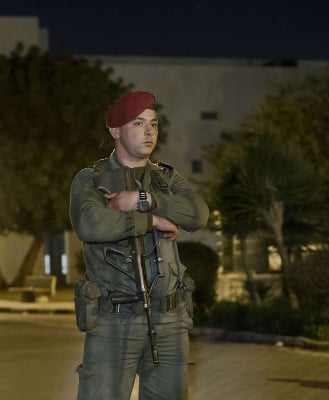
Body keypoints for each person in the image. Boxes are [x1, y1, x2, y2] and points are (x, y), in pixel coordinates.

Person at [70, 91, 209, 400]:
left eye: (154, 124)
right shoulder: (91, 180)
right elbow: (91, 224)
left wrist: (142, 200)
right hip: (113, 321)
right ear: (115, 131)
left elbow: (198, 214)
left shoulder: (166, 179)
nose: (149, 132)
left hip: (170, 321)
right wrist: (153, 220)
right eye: (138, 123)